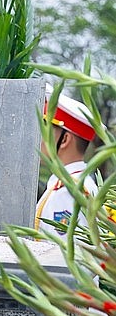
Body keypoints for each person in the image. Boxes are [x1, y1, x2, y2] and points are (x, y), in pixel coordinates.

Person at [35, 90, 98, 235]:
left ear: (64, 140)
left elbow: (61, 256)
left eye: (45, 130)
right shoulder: (73, 186)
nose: (39, 138)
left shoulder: (68, 193)